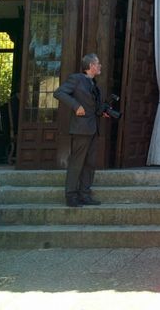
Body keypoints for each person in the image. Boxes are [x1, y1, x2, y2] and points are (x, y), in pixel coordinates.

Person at [53, 53, 106, 207]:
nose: (100, 66)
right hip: (81, 129)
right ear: (91, 66)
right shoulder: (77, 79)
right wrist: (76, 106)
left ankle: (85, 194)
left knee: (90, 163)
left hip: (93, 129)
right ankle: (71, 196)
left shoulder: (94, 84)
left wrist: (103, 111)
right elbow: (59, 93)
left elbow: (94, 107)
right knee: (77, 163)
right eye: (98, 63)